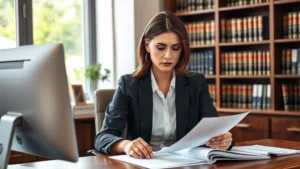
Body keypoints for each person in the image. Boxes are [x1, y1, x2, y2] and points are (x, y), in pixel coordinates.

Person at [95, 10, 233, 159]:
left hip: (186, 163)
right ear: (147, 45)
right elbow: (103, 137)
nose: (168, 55)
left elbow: (215, 131)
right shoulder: (129, 85)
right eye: (160, 48)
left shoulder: (196, 83)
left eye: (175, 48)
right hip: (145, 163)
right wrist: (127, 145)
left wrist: (224, 140)